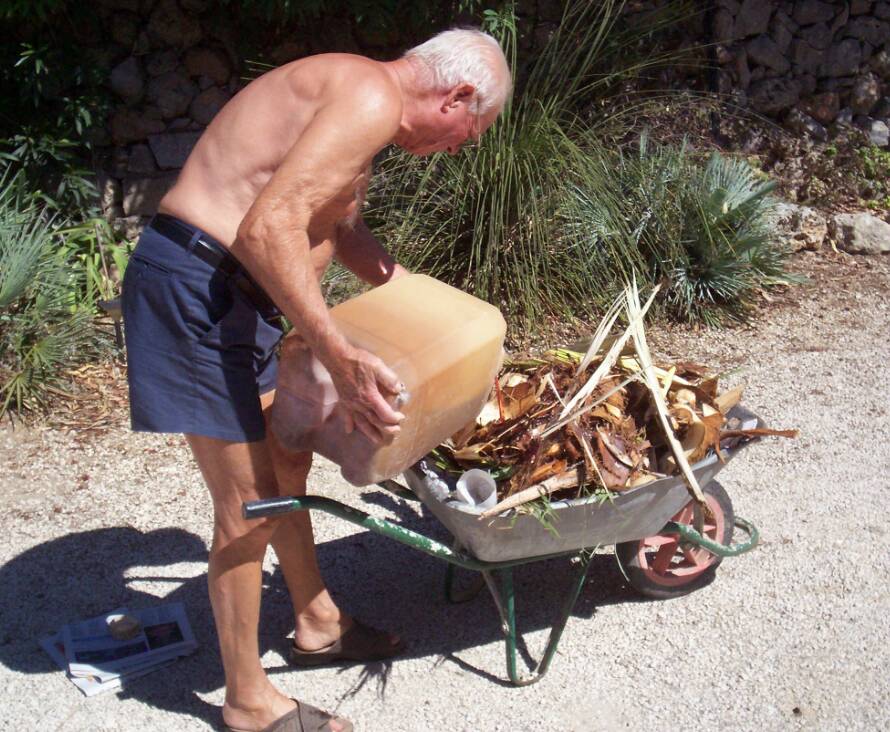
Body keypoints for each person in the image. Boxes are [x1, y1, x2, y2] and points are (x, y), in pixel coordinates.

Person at [121, 28, 511, 732]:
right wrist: (339, 358)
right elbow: (268, 230)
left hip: (237, 294)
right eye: (470, 131)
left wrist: (426, 300)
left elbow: (342, 230)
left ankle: (317, 622)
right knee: (248, 505)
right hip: (197, 287)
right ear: (455, 96)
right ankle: (246, 702)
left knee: (285, 461)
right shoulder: (368, 94)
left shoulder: (362, 102)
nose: (458, 148)